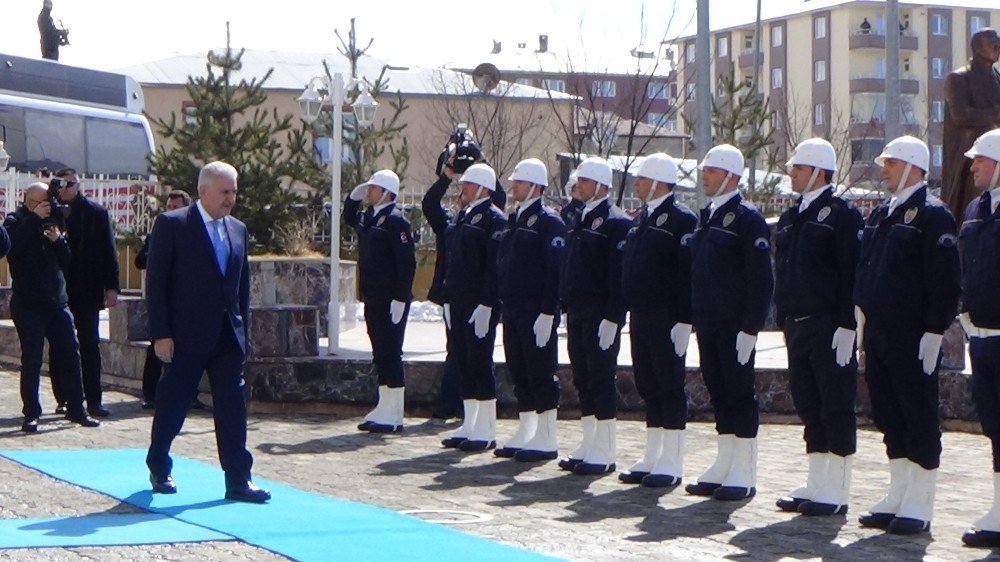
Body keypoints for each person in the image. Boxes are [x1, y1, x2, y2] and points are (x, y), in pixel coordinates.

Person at [145, 161, 270, 503]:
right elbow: (156, 283)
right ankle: (159, 464)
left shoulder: (238, 230)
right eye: (224, 191)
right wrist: (161, 333)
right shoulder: (173, 225)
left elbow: (241, 287)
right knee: (174, 403)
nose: (231, 198)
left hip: (227, 337)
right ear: (203, 191)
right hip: (184, 336)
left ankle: (238, 480)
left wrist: (243, 332)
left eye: (234, 191)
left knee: (232, 408)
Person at [855, 136, 960, 534]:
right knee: (887, 412)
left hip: (913, 333)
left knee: (917, 413)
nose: (885, 169)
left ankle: (921, 499)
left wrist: (935, 329)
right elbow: (868, 269)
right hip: (880, 333)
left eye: (892, 163)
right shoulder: (882, 213)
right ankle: (899, 491)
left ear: (915, 167)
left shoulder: (933, 216)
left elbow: (945, 279)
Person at [772, 139, 863, 516]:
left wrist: (847, 323)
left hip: (828, 325)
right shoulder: (793, 215)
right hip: (798, 325)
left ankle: (837, 489)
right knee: (809, 404)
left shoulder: (841, 215)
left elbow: (850, 273)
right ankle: (817, 479)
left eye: (798, 168)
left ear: (819, 172)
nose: (792, 173)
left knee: (835, 404)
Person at [684, 144, 773, 501]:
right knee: (718, 391)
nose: (704, 175)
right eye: (704, 170)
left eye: (711, 170)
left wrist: (751, 327)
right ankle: (725, 461)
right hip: (709, 322)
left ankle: (744, 470)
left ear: (731, 176)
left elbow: (761, 278)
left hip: (735, 324)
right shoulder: (708, 215)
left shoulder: (747, 218)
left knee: (739, 393)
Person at [617, 153, 697, 488]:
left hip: (667, 315)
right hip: (642, 313)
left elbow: (686, 272)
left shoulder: (681, 220)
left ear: (659, 181)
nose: (636, 184)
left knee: (669, 385)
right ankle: (653, 453)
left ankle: (672, 459)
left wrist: (683, 318)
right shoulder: (643, 218)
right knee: (648, 383)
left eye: (641, 178)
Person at [4, 183, 99, 432]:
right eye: (40, 201)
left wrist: (58, 241)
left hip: (57, 303)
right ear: (29, 202)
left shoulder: (53, 221)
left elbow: (67, 261)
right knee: (32, 360)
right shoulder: (16, 221)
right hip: (28, 305)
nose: (46, 205)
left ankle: (77, 409)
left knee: (71, 353)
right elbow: (12, 250)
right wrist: (34, 219)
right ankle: (31, 413)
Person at [557, 156, 631, 476]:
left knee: (601, 377)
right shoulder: (580, 218)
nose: (579, 186)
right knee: (583, 377)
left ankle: (605, 448)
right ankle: (590, 442)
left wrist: (614, 316)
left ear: (601, 185)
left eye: (584, 181)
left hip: (601, 312)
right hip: (578, 310)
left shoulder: (616, 222)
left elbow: (618, 274)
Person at [493, 158, 566, 462]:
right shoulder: (515, 219)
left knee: (540, 371)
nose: (514, 186)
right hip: (513, 309)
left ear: (536, 186)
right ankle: (527, 429)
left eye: (520, 182)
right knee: (519, 370)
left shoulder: (550, 222)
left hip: (536, 310)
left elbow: (555, 270)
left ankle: (546, 435)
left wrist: (549, 311)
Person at [423, 160, 506, 424]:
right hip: (457, 300)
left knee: (479, 361)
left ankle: (484, 425)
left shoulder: (494, 219)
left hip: (477, 302)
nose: (462, 189)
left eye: (468, 183)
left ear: (483, 187)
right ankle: (469, 421)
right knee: (463, 359)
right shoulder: (460, 218)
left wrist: (487, 302)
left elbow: (494, 266)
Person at [344, 170, 416, 433]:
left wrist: (400, 296)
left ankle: (395, 411)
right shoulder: (371, 217)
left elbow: (406, 263)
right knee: (380, 352)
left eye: (373, 189)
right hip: (373, 295)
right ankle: (384, 404)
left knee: (391, 351)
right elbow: (349, 218)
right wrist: (352, 198)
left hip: (390, 298)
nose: (369, 192)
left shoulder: (396, 222)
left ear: (387, 193)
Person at [956, 129, 1000, 547]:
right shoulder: (976, 208)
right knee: (995, 425)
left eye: (981, 161)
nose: (973, 167)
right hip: (982, 337)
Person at [50, 168, 119, 418]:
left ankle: (94, 399)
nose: (65, 188)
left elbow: (108, 251)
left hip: (87, 288)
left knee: (89, 343)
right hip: (57, 289)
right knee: (60, 345)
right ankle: (64, 397)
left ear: (78, 185)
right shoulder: (50, 212)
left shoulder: (95, 213)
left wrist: (112, 287)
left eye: (70, 184)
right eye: (61, 184)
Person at [134, 190, 203, 410]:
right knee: (157, 348)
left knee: (191, 350)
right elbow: (140, 260)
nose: (172, 211)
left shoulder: (196, 231)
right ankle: (150, 394)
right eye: (169, 207)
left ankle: (190, 394)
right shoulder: (159, 232)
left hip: (188, 302)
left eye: (177, 207)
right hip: (164, 300)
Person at [942, 28, 1000, 219]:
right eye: (993, 44)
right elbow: (960, 114)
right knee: (969, 210)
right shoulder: (958, 78)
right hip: (968, 157)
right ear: (977, 46)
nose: (997, 48)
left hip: (996, 157)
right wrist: (994, 114)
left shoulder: (997, 78)